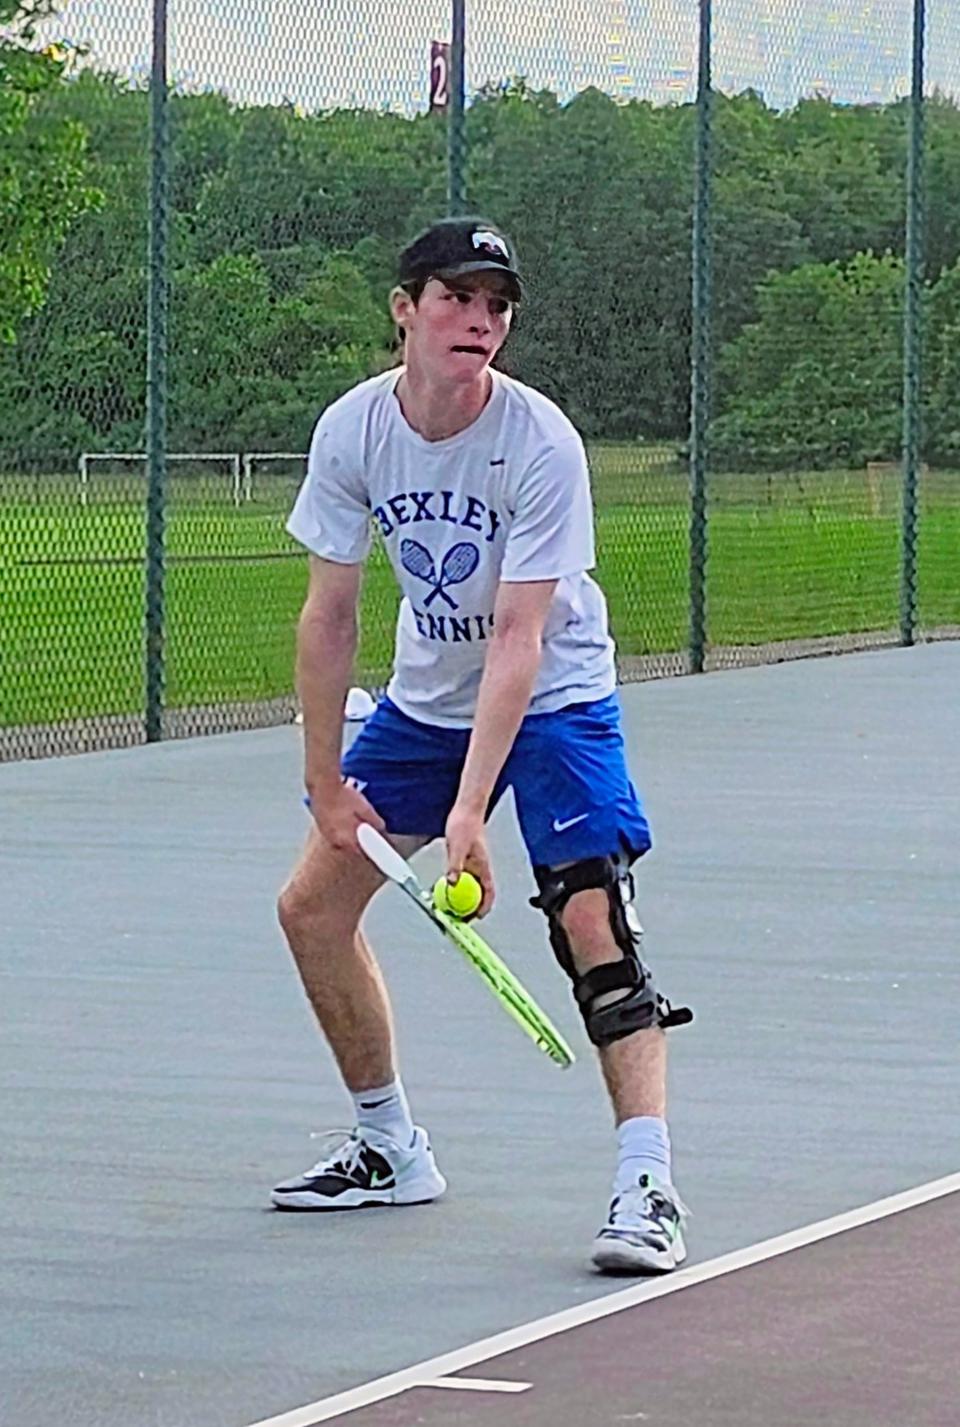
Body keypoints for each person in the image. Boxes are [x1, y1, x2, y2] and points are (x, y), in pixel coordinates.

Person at [274, 216, 692, 1274]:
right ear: (404, 308)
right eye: (456, 296)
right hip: (425, 700)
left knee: (592, 913)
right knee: (312, 907)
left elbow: (521, 634)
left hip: (554, 692)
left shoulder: (540, 441)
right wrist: (325, 779)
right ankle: (388, 1144)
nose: (479, 319)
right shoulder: (355, 429)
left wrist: (467, 814)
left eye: (497, 303)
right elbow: (329, 615)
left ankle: (646, 1184)